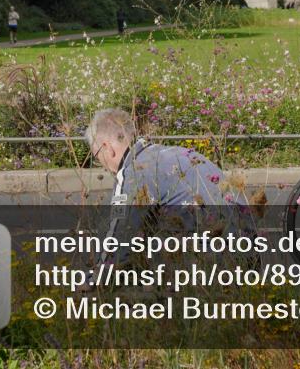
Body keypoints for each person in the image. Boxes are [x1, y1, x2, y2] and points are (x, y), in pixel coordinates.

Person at [85, 108, 249, 265]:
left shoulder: (132, 173)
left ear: (107, 148)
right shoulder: (176, 153)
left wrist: (95, 280)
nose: (102, 165)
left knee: (110, 228)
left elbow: (119, 237)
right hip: (249, 248)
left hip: (215, 262)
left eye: (97, 156)